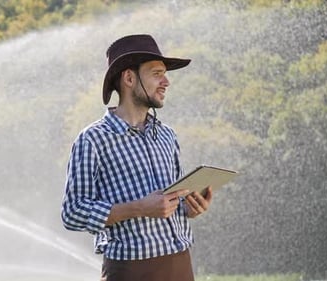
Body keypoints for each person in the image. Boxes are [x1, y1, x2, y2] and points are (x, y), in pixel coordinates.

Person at [61, 34, 213, 281]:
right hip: (129, 271)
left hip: (181, 265)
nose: (166, 82)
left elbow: (171, 205)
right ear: (129, 78)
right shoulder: (92, 139)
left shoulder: (167, 135)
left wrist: (190, 207)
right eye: (156, 74)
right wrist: (139, 208)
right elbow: (72, 213)